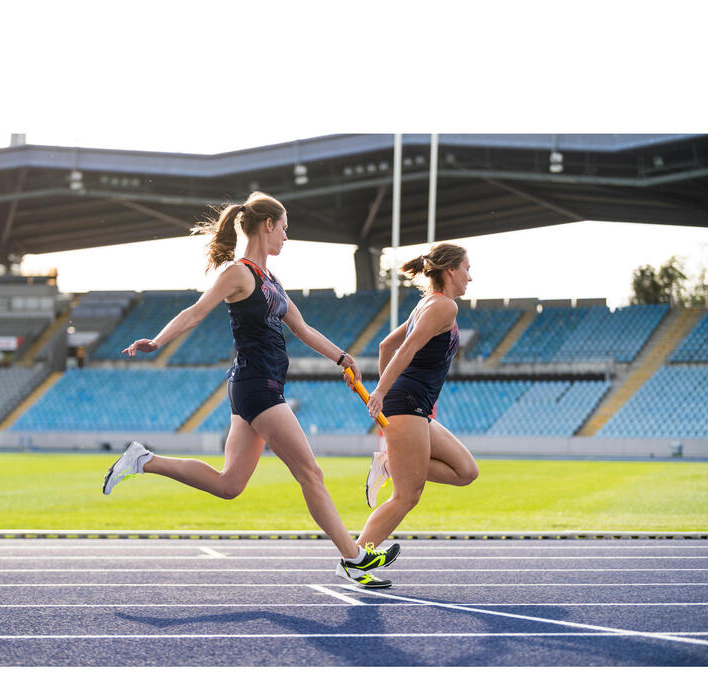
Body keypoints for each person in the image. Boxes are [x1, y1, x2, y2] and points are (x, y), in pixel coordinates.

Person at [102, 191, 399, 587]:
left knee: (229, 485)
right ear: (268, 225)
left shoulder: (271, 280)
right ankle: (354, 557)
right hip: (257, 386)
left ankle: (143, 461)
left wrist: (343, 358)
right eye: (285, 229)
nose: (287, 238)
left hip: (257, 386)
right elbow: (195, 312)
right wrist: (156, 341)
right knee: (311, 473)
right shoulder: (237, 273)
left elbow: (303, 328)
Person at [359, 243, 479, 555]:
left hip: (414, 406)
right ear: (451, 270)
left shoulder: (427, 303)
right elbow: (406, 347)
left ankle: (390, 464)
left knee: (466, 471)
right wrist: (383, 393)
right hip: (407, 405)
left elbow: (386, 346)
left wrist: (391, 390)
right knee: (407, 496)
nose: (470, 277)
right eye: (467, 269)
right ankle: (356, 557)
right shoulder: (444, 307)